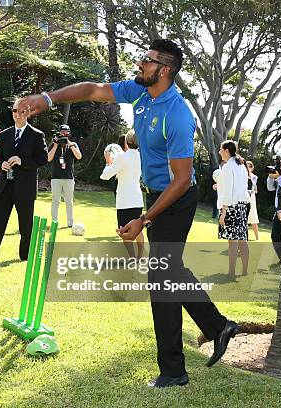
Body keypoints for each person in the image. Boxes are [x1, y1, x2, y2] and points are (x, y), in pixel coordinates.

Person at [16, 38, 238, 388]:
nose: (140, 64)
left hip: (175, 200)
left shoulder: (177, 114)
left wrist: (144, 219)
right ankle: (216, 328)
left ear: (164, 70)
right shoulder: (138, 91)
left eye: (147, 61)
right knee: (168, 272)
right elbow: (93, 89)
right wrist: (47, 99)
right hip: (158, 196)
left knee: (161, 278)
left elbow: (181, 181)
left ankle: (175, 368)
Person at [0, 100, 47, 261]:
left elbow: (43, 159)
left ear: (28, 113)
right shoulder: (4, 135)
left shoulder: (37, 135)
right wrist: (1, 163)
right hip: (5, 185)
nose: (17, 114)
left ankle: (25, 256)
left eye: (22, 111)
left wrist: (22, 161)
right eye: (15, 110)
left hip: (25, 187)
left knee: (26, 225)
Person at [100, 130, 144, 258]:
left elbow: (105, 176)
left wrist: (109, 162)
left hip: (124, 200)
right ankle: (140, 256)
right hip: (137, 198)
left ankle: (132, 257)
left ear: (126, 142)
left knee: (124, 230)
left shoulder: (121, 157)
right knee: (138, 229)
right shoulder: (141, 156)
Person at [217, 141, 250, 277]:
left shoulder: (228, 166)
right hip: (242, 206)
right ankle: (244, 271)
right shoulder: (241, 165)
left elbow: (228, 192)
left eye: (220, 149)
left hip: (231, 206)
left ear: (226, 151)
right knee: (242, 239)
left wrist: (223, 213)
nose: (219, 152)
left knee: (233, 241)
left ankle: (231, 272)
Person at [47, 124, 82, 228]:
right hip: (56, 177)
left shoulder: (73, 144)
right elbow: (48, 158)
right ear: (59, 133)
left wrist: (70, 144)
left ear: (69, 134)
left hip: (69, 178)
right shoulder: (54, 144)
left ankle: (70, 223)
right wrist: (55, 145)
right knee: (55, 201)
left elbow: (79, 156)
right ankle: (54, 222)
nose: (64, 134)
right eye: (62, 132)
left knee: (69, 202)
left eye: (66, 133)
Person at [246, 161, 259, 240]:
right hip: (243, 197)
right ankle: (244, 237)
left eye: (249, 166)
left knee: (253, 217)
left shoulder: (254, 177)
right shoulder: (241, 175)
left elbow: (255, 190)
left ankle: (257, 238)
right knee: (244, 218)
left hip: (251, 198)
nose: (248, 168)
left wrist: (251, 191)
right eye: (246, 166)